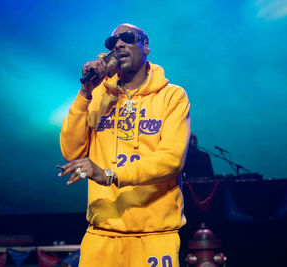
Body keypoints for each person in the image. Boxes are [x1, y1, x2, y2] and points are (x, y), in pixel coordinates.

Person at [59, 23, 190, 267]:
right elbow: (71, 151)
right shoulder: (98, 97)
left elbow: (172, 159)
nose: (118, 44)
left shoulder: (172, 96)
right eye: (112, 43)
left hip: (155, 234)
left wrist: (110, 175)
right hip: (102, 232)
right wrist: (86, 93)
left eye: (127, 38)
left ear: (146, 46)